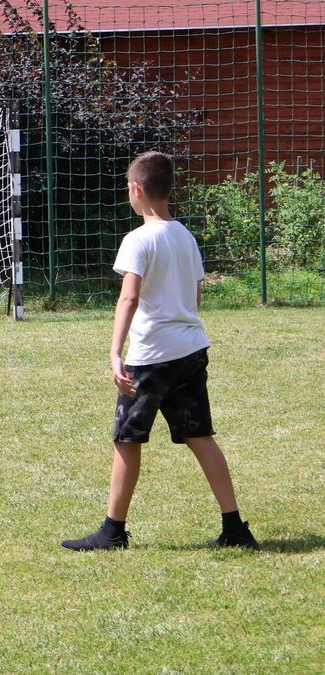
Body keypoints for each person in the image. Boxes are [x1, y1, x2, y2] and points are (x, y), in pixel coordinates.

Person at [61, 151, 259, 552]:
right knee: (200, 436)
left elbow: (128, 298)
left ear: (136, 190)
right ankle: (235, 527)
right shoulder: (185, 235)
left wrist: (115, 352)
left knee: (126, 439)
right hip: (191, 350)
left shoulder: (138, 238)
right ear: (169, 189)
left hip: (150, 358)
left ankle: (112, 532)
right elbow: (196, 294)